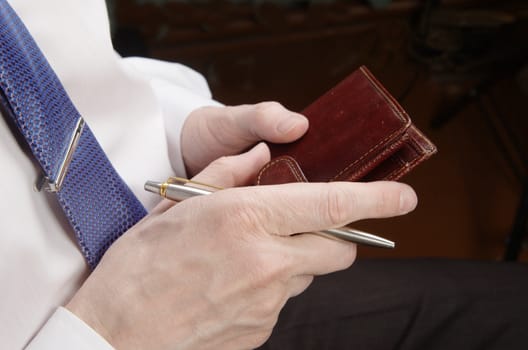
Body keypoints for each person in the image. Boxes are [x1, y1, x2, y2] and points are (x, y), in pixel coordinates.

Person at [1, 1, 527, 349]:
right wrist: (118, 332)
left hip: (209, 253)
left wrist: (177, 132)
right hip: (126, 331)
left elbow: (60, 56)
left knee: (508, 310)